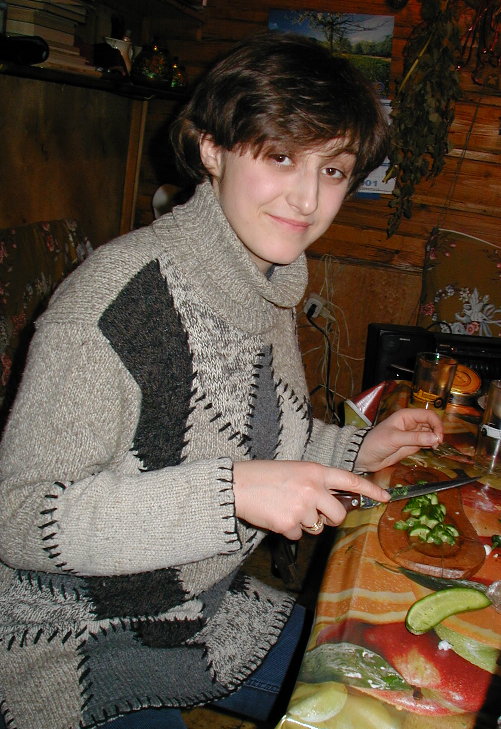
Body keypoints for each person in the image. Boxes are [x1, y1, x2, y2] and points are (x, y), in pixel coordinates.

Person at [0, 31, 443, 729]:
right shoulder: (117, 303)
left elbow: (261, 434)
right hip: (69, 635)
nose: (307, 198)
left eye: (332, 170)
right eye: (281, 156)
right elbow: (18, 518)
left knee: (399, 694)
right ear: (211, 148)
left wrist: (357, 448)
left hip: (202, 609)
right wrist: (231, 492)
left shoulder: (262, 281)